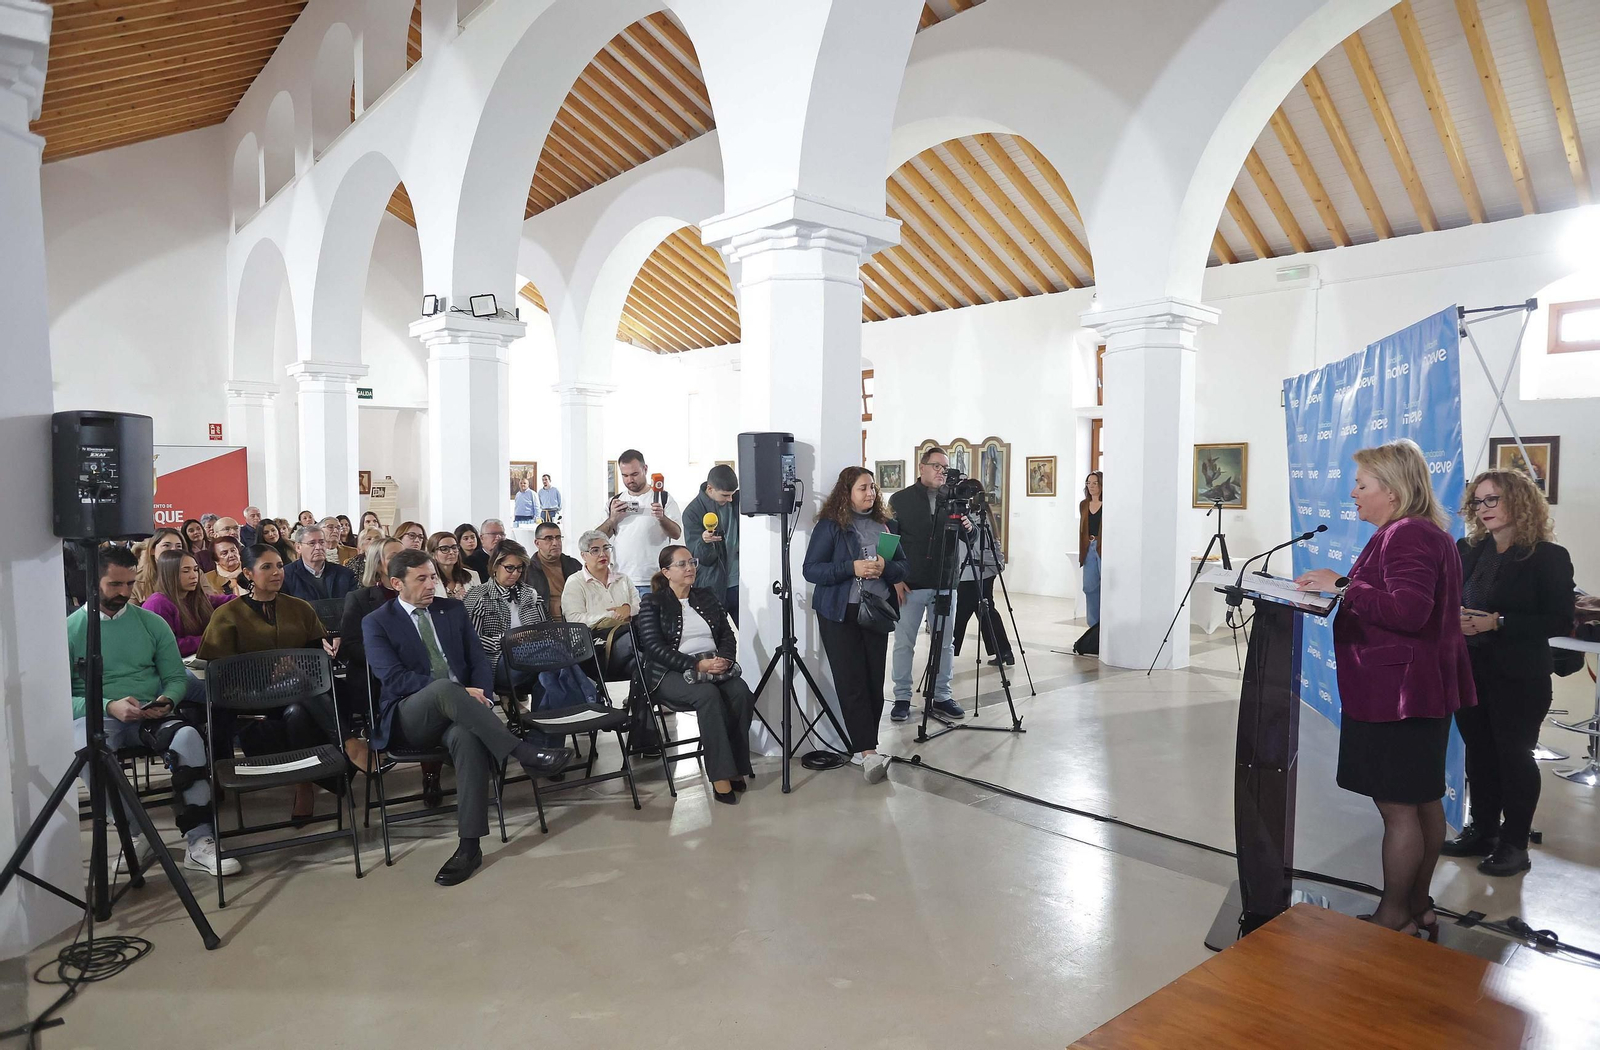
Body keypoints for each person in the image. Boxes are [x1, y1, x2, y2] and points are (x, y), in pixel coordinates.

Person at [1295, 439, 1475, 936]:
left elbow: (1408, 611)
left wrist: (1341, 586)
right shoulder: (1422, 532)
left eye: (1361, 484)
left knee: (1399, 810)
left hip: (1399, 693)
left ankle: (1394, 914)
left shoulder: (1408, 535)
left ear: (1391, 491)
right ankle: (1418, 905)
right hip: (1417, 689)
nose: (1353, 493)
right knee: (1422, 801)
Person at [363, 549, 572, 885]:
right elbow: (394, 679)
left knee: (468, 738)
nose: (431, 584)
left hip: (462, 714)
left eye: (433, 577)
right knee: (445, 688)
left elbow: (478, 661)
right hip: (410, 715)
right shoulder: (377, 621)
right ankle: (523, 752)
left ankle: (469, 846)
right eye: (421, 579)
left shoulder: (451, 609)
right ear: (397, 583)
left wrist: (482, 694)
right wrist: (461, 692)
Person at [68, 547, 238, 876]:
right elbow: (61, 696)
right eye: (114, 584)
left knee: (188, 738)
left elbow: (175, 677)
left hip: (150, 712)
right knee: (86, 749)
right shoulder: (71, 630)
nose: (124, 592)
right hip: (98, 715)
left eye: (130, 584)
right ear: (92, 582)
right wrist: (108, 705)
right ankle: (136, 834)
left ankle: (200, 841)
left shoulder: (151, 622)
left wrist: (167, 700)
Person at [1444, 468, 1575, 877]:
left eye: (1493, 499)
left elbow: (1559, 619)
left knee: (1514, 758)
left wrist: (1497, 622)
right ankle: (1483, 832)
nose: (1483, 508)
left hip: (1519, 676)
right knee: (1479, 754)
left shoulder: (1548, 556)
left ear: (1518, 501)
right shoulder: (1468, 549)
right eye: (1478, 501)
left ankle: (1515, 844)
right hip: (1469, 669)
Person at [198, 543, 364, 824]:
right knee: (300, 692)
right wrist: (265, 672)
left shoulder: (299, 608)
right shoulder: (227, 614)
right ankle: (347, 742)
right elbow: (218, 670)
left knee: (300, 705)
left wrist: (296, 665)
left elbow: (316, 657)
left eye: (278, 566)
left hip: (299, 694)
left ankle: (304, 784)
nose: (277, 572)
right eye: (266, 567)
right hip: (250, 695)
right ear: (248, 574)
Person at [804, 466, 908, 783]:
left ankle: (866, 747)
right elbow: (812, 570)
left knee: (874, 682)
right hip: (840, 613)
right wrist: (852, 568)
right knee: (852, 682)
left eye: (873, 487)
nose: (870, 493)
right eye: (863, 488)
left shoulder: (885, 524)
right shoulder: (831, 525)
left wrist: (885, 567)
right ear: (846, 492)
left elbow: (903, 567)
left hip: (876, 611)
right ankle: (866, 751)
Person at [634, 545, 754, 804]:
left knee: (741, 692)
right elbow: (654, 648)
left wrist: (724, 659)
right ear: (666, 572)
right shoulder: (653, 602)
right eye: (682, 564)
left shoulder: (706, 596)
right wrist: (696, 665)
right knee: (707, 695)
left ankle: (736, 766)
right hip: (668, 673)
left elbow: (726, 634)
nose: (690, 568)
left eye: (692, 562)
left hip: (712, 666)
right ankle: (720, 775)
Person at [887, 446, 967, 722]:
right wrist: (894, 578)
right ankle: (902, 697)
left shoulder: (955, 500)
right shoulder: (901, 499)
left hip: (945, 582)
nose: (941, 472)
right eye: (936, 466)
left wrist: (969, 526)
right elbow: (889, 541)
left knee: (945, 643)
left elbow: (971, 537)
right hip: (910, 584)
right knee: (904, 643)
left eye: (945, 467)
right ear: (921, 467)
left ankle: (942, 695)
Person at [463, 540, 549, 707]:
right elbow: (470, 642)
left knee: (555, 666)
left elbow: (546, 629)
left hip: (536, 657)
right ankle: (586, 698)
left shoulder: (530, 594)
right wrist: (509, 640)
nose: (515, 573)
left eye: (519, 568)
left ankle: (545, 717)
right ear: (495, 566)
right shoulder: (478, 595)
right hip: (496, 660)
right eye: (510, 568)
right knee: (555, 663)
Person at [598, 449, 681, 588]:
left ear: (645, 469)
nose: (630, 480)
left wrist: (662, 518)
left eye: (634, 474)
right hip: (621, 579)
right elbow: (597, 538)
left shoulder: (663, 498)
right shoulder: (614, 501)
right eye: (625, 475)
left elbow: (676, 534)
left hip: (655, 579)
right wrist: (612, 519)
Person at [953, 503, 1013, 666]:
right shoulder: (987, 518)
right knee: (986, 611)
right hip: (986, 572)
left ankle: (948, 651)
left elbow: (974, 548)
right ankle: (1003, 651)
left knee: (961, 613)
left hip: (971, 573)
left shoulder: (974, 519)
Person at [142, 551, 233, 656]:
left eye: (195, 570)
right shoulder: (157, 604)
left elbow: (230, 601)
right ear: (169, 574)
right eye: (186, 571)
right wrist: (212, 638)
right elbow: (166, 645)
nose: (194, 576)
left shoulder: (196, 597)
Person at [683, 464, 741, 625]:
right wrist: (704, 542)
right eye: (725, 495)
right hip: (711, 586)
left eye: (732, 494)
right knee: (715, 634)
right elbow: (699, 557)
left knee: (751, 633)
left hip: (740, 583)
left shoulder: (738, 502)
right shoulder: (692, 512)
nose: (730, 499)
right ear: (710, 489)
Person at [564, 530, 642, 629]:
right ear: (583, 555)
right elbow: (574, 619)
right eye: (595, 550)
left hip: (627, 633)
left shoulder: (623, 579)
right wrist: (612, 615)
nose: (602, 554)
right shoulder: (575, 582)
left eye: (606, 548)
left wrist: (629, 609)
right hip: (593, 636)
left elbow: (639, 606)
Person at [281, 523, 357, 603]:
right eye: (312, 543)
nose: (318, 547)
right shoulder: (286, 576)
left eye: (322, 542)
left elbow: (352, 605)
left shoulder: (345, 574)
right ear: (298, 547)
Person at [527, 522, 582, 619]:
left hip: (575, 619)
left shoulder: (573, 564)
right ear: (537, 543)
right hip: (543, 622)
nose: (555, 543)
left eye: (558, 538)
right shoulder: (528, 569)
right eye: (549, 538)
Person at [133, 527, 186, 603]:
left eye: (178, 546)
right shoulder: (136, 581)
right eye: (166, 545)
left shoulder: (195, 573)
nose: (174, 550)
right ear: (152, 550)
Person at [1078, 471, 1103, 630]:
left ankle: (1105, 624)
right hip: (1089, 547)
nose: (1091, 486)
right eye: (1088, 483)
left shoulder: (1108, 503)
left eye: (1095, 483)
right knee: (1089, 586)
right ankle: (1093, 626)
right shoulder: (1084, 505)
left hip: (1103, 547)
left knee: (1106, 586)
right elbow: (1082, 530)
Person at [428, 530, 480, 600]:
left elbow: (480, 603)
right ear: (432, 554)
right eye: (444, 549)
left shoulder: (473, 575)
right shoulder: (428, 579)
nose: (451, 552)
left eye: (454, 547)